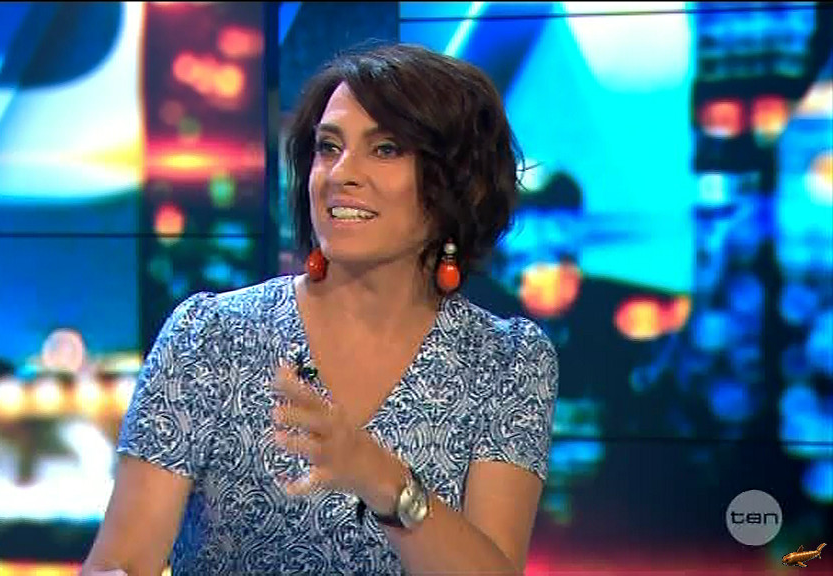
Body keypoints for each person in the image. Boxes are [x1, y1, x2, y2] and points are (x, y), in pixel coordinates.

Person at [80, 42, 558, 576]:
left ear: (458, 182)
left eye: (385, 149)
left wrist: (383, 481)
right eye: (329, 148)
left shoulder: (506, 361)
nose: (340, 174)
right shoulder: (211, 336)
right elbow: (121, 561)